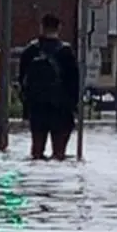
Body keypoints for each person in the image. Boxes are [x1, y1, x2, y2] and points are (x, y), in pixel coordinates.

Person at [19, 14, 79, 161]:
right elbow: (74, 82)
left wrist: (27, 106)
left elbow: (21, 80)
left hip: (37, 108)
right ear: (59, 28)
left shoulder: (30, 50)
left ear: (41, 27)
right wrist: (73, 106)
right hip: (61, 109)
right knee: (59, 154)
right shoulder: (66, 52)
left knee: (37, 152)